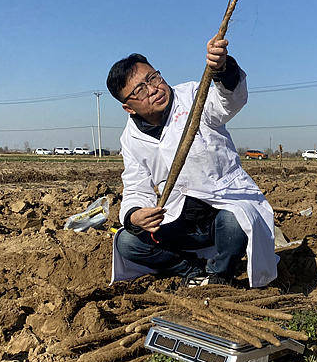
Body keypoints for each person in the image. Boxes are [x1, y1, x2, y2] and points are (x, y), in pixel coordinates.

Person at [107, 37, 277, 288]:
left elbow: (227, 102)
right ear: (128, 108)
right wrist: (135, 216)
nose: (153, 89)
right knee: (127, 241)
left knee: (236, 219)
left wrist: (222, 69)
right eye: (140, 90)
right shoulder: (131, 139)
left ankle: (220, 276)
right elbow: (135, 187)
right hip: (179, 219)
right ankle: (191, 269)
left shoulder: (193, 97)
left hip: (222, 206)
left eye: (153, 78)